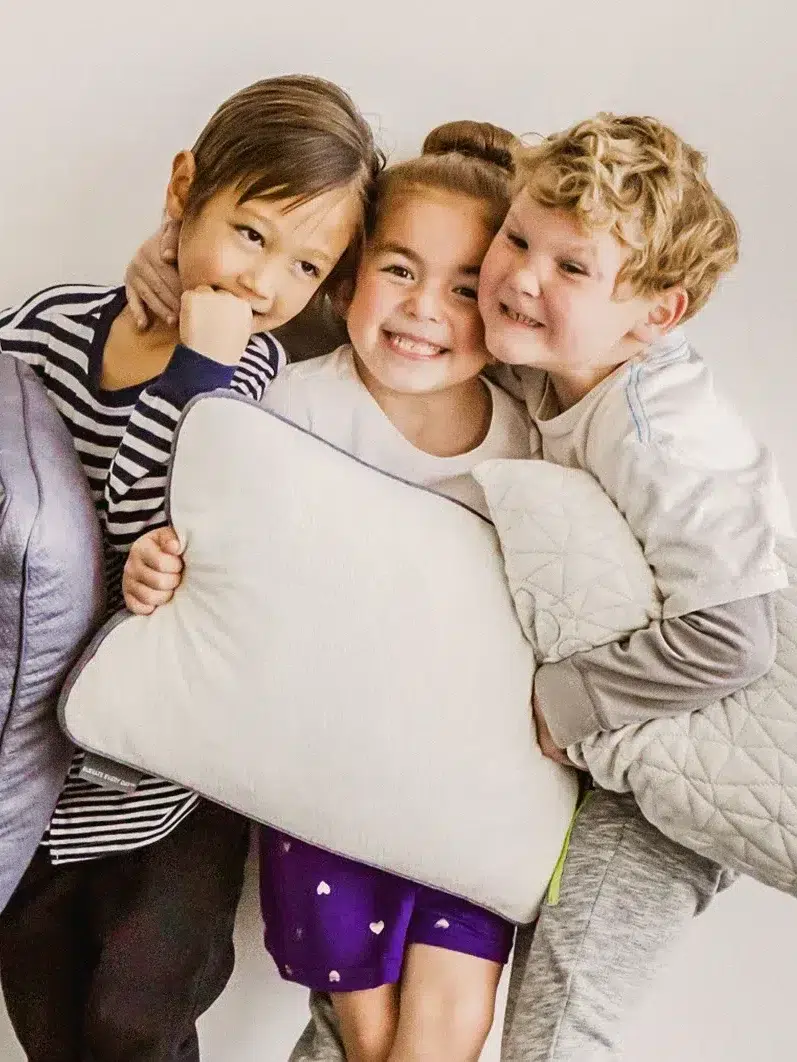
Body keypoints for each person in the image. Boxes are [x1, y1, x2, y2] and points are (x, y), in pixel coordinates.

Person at [123, 120, 532, 1062]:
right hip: (325, 784)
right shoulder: (286, 404)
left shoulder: (524, 442)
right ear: (348, 278)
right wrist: (161, 566)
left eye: (465, 289)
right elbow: (207, 540)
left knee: (445, 1034)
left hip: (467, 783)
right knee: (369, 1028)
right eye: (397, 270)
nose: (425, 309)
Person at [0, 73, 382, 1062]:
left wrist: (201, 375)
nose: (263, 284)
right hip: (38, 778)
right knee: (49, 1025)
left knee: (136, 1019)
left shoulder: (248, 382)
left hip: (167, 790)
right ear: (184, 190)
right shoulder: (47, 327)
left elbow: (141, 530)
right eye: (252, 235)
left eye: (305, 266)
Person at [476, 112, 791, 1061]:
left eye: (572, 269)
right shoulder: (554, 369)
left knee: (563, 1019)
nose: (521, 276)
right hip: (630, 754)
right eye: (517, 237)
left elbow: (733, 638)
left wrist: (562, 701)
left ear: (656, 315)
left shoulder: (657, 430)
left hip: (697, 763)